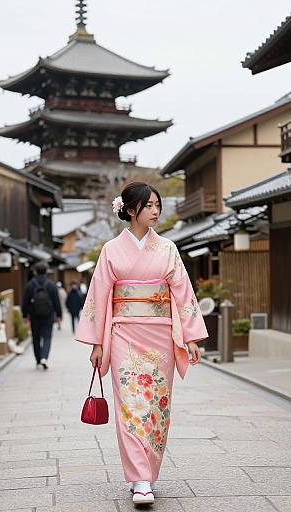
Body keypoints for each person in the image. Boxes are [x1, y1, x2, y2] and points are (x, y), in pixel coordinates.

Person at [75, 182, 208, 506]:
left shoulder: (167, 249)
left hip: (160, 336)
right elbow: (99, 296)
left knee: (156, 407)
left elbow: (183, 294)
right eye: (149, 205)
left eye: (157, 205)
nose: (155, 210)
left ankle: (148, 472)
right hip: (124, 335)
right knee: (131, 406)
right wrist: (97, 343)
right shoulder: (111, 250)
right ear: (131, 210)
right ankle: (140, 479)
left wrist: (190, 337)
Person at [22, 261, 62, 369]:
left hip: (34, 315)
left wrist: (24, 315)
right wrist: (59, 315)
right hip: (48, 315)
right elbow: (56, 301)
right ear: (46, 271)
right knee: (47, 337)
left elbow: (25, 301)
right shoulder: (51, 285)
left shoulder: (30, 284)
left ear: (35, 271)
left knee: (35, 338)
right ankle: (44, 357)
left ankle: (38, 359)